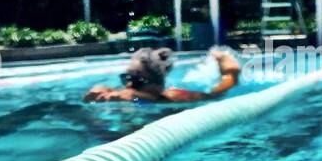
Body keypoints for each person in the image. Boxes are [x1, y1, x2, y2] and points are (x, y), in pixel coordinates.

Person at [84, 47, 241, 103]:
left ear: (157, 85)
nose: (129, 85)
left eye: (137, 81)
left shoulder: (172, 98)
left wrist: (134, 97)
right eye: (126, 78)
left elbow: (149, 99)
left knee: (218, 93)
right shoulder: (130, 95)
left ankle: (231, 71)